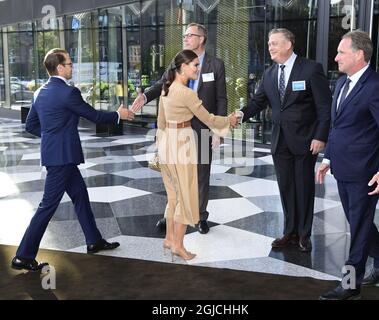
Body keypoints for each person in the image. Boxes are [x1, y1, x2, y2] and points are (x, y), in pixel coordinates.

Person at [11, 48, 134, 272]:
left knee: (80, 196)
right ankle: (23, 256)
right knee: (47, 206)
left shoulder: (40, 92)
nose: (72, 67)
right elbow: (94, 116)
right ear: (59, 67)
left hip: (56, 156)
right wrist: (119, 115)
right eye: (69, 63)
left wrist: (52, 138)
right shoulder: (69, 93)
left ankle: (94, 240)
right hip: (63, 159)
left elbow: (31, 125)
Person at [317, 30, 379, 300]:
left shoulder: (377, 87)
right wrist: (327, 158)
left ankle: (351, 285)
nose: (336, 57)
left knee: (359, 227)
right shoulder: (341, 83)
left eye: (341, 52)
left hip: (366, 172)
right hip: (342, 168)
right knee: (359, 221)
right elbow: (337, 126)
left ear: (359, 54)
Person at [237, 28, 331, 252]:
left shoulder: (310, 69)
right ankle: (289, 232)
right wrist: (240, 114)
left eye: (274, 43)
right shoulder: (270, 74)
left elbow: (324, 107)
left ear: (288, 44)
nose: (270, 47)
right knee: (286, 187)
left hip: (305, 140)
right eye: (269, 43)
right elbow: (258, 101)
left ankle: (304, 235)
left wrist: (321, 136)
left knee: (304, 188)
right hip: (279, 142)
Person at [131, 23, 227, 234]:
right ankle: (172, 214)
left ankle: (200, 217)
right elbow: (162, 84)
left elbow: (221, 99)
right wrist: (146, 95)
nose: (185, 38)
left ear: (201, 39)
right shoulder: (179, 60)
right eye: (184, 35)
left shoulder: (216, 65)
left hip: (202, 127)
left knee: (201, 172)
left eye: (190, 35)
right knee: (175, 174)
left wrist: (218, 130)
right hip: (177, 130)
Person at [156, 49, 237, 260]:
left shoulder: (166, 89)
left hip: (166, 143)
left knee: (173, 195)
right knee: (186, 195)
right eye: (194, 65)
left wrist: (160, 148)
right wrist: (229, 120)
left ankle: (169, 238)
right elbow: (209, 119)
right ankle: (178, 246)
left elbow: (161, 123)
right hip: (183, 142)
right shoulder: (187, 93)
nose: (197, 68)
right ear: (183, 67)